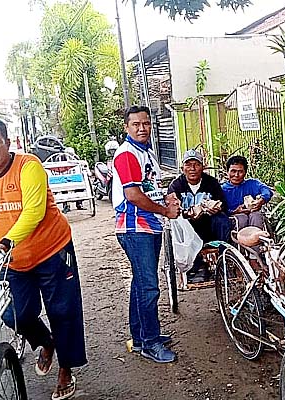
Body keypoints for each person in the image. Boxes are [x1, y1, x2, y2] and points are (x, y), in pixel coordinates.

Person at [0, 116, 86, 400]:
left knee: (63, 311)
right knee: (14, 314)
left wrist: (5, 241)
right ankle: (45, 342)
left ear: (8, 143)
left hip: (52, 250)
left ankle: (66, 370)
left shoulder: (28, 166)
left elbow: (34, 211)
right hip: (11, 259)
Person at [112, 105, 180, 363]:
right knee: (149, 287)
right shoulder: (127, 154)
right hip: (135, 227)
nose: (142, 128)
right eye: (136, 124)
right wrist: (165, 210)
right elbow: (133, 194)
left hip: (149, 226)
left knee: (141, 284)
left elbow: (150, 187)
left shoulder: (146, 152)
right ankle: (150, 342)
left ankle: (141, 338)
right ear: (126, 127)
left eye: (146, 123)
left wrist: (167, 198)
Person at [167, 149, 230, 283]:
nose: (192, 169)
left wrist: (216, 208)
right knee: (183, 224)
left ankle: (224, 260)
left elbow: (223, 204)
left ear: (203, 166)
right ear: (182, 168)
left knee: (223, 220)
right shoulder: (176, 185)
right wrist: (187, 213)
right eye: (188, 165)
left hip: (209, 224)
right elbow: (171, 208)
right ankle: (196, 266)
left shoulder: (211, 182)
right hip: (189, 225)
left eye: (196, 164)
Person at [221, 155, 273, 231]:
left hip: (253, 215)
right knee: (241, 218)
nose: (236, 175)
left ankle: (258, 241)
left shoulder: (252, 184)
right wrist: (235, 211)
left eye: (240, 171)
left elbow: (267, 191)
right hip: (234, 219)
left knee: (256, 216)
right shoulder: (222, 189)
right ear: (227, 171)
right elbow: (220, 210)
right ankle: (239, 242)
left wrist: (261, 200)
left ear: (245, 172)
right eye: (233, 171)